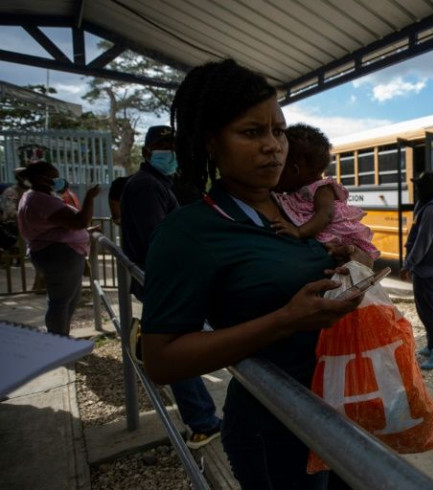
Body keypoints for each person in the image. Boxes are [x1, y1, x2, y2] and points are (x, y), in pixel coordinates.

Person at [141, 58, 369, 489]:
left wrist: (351, 262)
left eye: (278, 130)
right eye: (252, 132)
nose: (274, 146)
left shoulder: (296, 208)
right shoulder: (188, 233)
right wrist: (285, 320)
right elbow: (162, 358)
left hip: (336, 409)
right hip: (274, 428)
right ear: (211, 142)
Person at [120, 125, 222, 450]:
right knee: (177, 350)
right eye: (163, 145)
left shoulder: (157, 183)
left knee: (172, 342)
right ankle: (202, 422)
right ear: (147, 152)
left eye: (173, 145)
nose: (170, 151)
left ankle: (144, 343)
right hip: (164, 279)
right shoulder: (147, 187)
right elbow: (159, 239)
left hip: (162, 278)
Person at [15, 160, 101, 335]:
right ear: (41, 179)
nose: (59, 179)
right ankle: (57, 341)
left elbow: (56, 226)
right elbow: (79, 221)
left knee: (69, 299)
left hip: (58, 253)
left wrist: (84, 231)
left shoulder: (36, 197)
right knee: (60, 302)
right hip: (60, 256)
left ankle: (62, 337)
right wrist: (90, 197)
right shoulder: (41, 200)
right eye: (54, 176)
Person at [272, 123, 379, 259]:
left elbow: (325, 215)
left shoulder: (321, 188)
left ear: (294, 170)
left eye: (280, 167)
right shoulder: (297, 192)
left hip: (339, 236)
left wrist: (299, 232)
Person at [399, 171, 433, 370]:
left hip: (427, 269)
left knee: (427, 311)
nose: (417, 190)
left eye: (419, 187)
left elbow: (423, 241)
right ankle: (431, 345)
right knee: (430, 308)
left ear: (427, 188)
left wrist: (408, 265)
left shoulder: (431, 209)